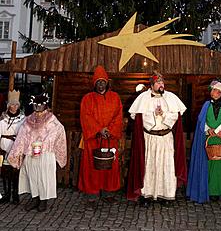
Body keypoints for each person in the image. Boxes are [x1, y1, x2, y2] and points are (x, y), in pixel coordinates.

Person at [127, 73, 187, 205]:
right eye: (158, 83)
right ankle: (147, 195)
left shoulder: (171, 98)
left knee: (167, 165)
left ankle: (166, 195)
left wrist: (164, 115)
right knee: (149, 165)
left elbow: (175, 116)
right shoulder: (143, 98)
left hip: (166, 138)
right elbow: (139, 118)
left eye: (162, 82)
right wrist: (154, 115)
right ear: (152, 85)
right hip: (150, 137)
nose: (161, 85)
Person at [8, 91, 67, 212]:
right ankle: (35, 198)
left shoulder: (51, 119)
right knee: (32, 176)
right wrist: (17, 152)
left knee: (44, 176)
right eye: (35, 105)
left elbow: (59, 131)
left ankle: (43, 201)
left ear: (45, 105)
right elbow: (22, 135)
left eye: (40, 105)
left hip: (45, 153)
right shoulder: (29, 119)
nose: (38, 108)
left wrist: (45, 142)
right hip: (31, 153)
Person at [78, 65, 123, 203]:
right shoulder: (87, 98)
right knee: (92, 167)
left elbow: (118, 116)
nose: (101, 84)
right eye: (98, 82)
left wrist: (109, 130)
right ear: (94, 83)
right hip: (93, 139)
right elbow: (85, 117)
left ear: (107, 82)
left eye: (103, 81)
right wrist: (99, 130)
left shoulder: (115, 97)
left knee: (111, 167)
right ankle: (92, 194)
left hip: (110, 138)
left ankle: (108, 193)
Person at [0, 90, 25, 204]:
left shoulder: (23, 119)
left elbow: (25, 134)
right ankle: (6, 194)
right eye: (12, 104)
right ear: (8, 106)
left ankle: (15, 195)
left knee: (15, 173)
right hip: (4, 148)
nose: (14, 107)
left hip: (16, 148)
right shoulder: (2, 119)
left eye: (16, 104)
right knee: (5, 173)